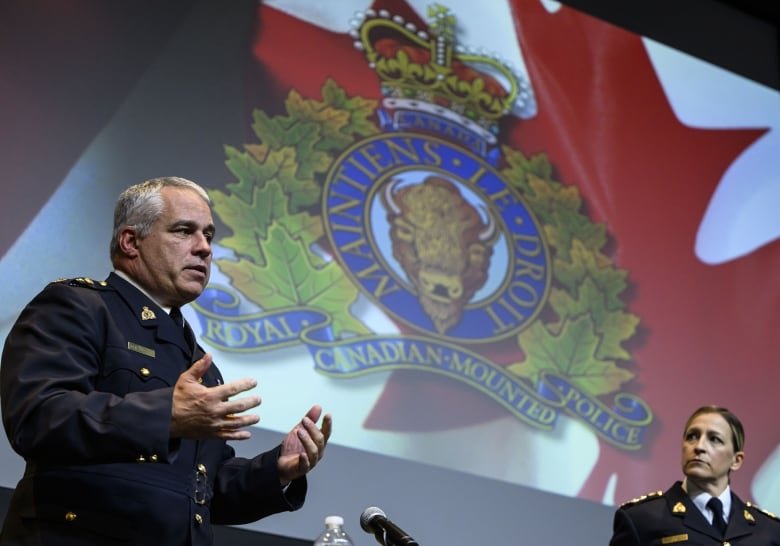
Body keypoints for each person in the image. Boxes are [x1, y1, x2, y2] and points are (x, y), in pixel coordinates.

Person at [0, 177, 333, 545]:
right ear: (130, 242)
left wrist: (276, 471)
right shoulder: (78, 307)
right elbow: (38, 417)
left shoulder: (196, 359)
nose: (204, 248)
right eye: (184, 231)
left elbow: (202, 489)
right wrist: (165, 416)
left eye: (209, 235)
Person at [609, 405, 780, 545]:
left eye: (714, 439)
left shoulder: (769, 530)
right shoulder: (640, 518)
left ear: (736, 461)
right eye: (692, 437)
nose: (699, 447)